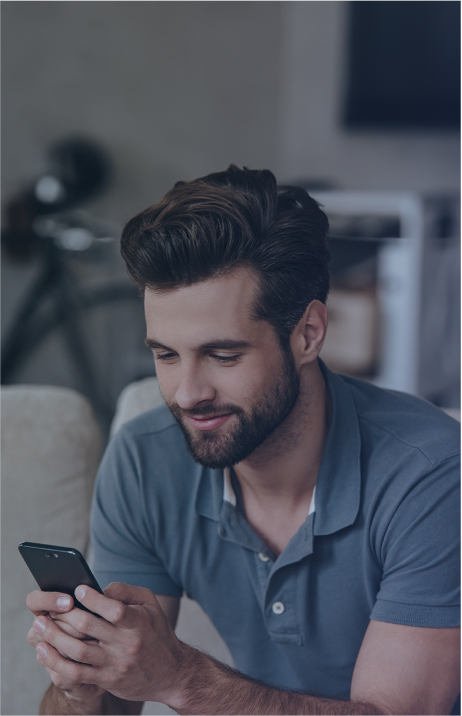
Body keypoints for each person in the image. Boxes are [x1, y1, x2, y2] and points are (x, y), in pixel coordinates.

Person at [27, 166, 460, 715]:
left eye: (223, 355)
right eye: (165, 355)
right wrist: (82, 685)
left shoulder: (432, 471)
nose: (187, 394)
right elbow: (114, 706)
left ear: (308, 334)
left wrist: (180, 678)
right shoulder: (145, 461)